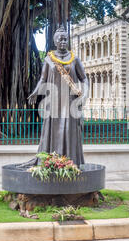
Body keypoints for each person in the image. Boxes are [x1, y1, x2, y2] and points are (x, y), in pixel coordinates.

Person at [23, 26, 89, 167]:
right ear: (55, 41)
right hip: (53, 101)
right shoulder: (49, 59)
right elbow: (43, 79)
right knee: (52, 131)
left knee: (70, 131)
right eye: (60, 39)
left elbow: (84, 79)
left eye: (65, 39)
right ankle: (50, 161)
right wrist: (36, 91)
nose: (63, 42)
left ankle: (71, 162)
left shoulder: (74, 59)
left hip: (71, 101)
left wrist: (84, 95)